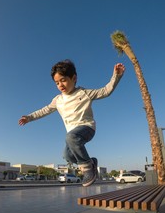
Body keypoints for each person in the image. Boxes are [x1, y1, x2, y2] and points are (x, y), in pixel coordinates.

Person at [19, 59, 125, 187]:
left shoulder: (84, 93)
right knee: (67, 156)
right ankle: (91, 162)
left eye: (63, 80)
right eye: (57, 83)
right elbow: (45, 110)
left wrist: (116, 75)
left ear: (74, 78)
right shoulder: (57, 100)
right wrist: (29, 117)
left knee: (70, 137)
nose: (60, 85)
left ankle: (88, 170)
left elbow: (106, 91)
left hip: (87, 128)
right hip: (72, 135)